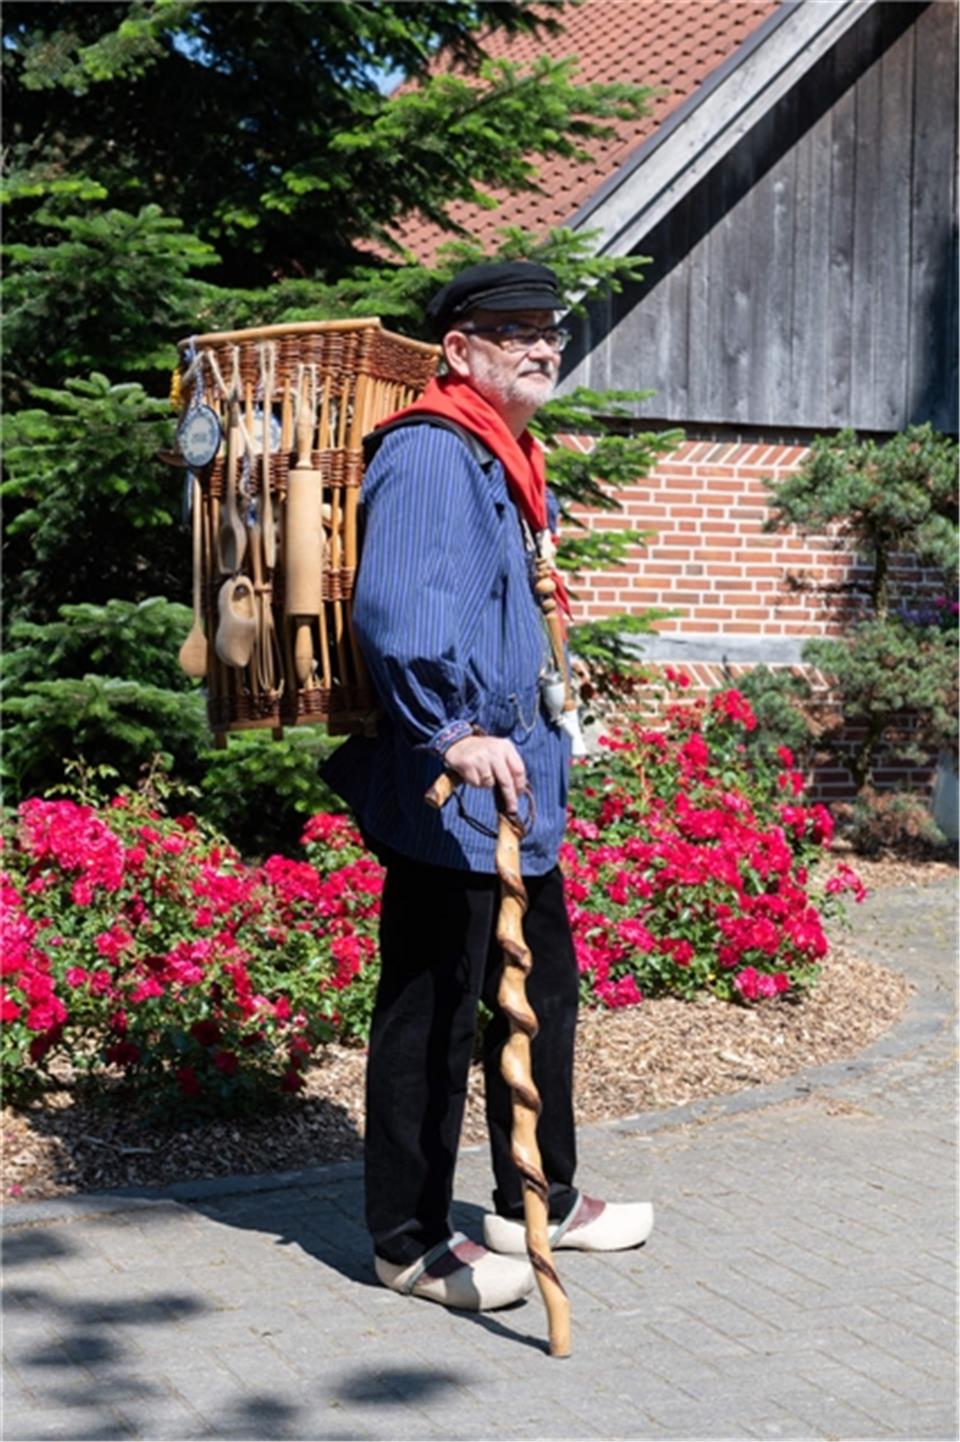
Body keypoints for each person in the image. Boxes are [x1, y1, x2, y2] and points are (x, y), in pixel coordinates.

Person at [322, 261, 653, 1311]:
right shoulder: (430, 450)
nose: (542, 343)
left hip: (518, 784)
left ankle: (533, 1198)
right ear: (460, 350)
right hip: (449, 787)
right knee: (432, 1011)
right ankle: (409, 1238)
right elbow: (402, 607)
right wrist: (450, 731)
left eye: (549, 327)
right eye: (513, 328)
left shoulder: (506, 454)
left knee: (539, 994)